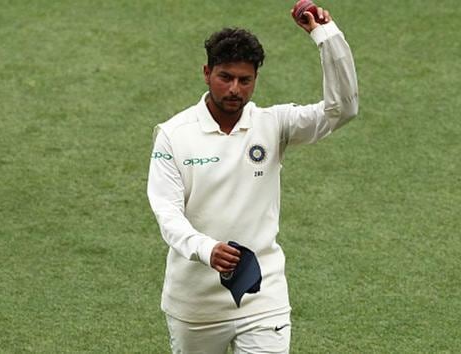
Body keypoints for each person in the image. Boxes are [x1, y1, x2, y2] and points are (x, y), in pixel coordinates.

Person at [147, 4, 358, 353]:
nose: (235, 89)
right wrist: (206, 249)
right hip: (196, 307)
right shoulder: (173, 135)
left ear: (256, 79)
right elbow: (167, 214)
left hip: (263, 298)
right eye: (225, 77)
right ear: (206, 72)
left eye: (245, 80)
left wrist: (326, 36)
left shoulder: (273, 124)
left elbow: (343, 109)